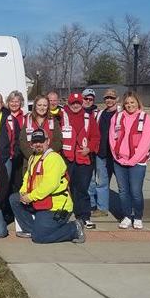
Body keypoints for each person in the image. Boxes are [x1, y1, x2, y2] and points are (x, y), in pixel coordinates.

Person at [9, 129, 85, 243]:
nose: (38, 144)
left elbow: (50, 185)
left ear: (47, 141)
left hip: (56, 206)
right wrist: (23, 192)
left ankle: (74, 228)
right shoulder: (33, 157)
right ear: (31, 144)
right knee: (15, 199)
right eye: (35, 142)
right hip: (41, 201)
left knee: (39, 238)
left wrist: (30, 197)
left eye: (41, 141)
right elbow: (27, 178)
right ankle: (31, 229)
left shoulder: (53, 158)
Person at [110, 91, 150, 230]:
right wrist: (117, 156)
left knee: (135, 191)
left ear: (137, 103)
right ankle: (127, 216)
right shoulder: (117, 117)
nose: (129, 105)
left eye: (132, 102)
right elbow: (112, 138)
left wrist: (133, 160)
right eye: (127, 103)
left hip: (137, 162)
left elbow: (145, 143)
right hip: (119, 161)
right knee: (123, 191)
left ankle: (138, 216)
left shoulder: (145, 118)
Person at [61, 92, 100, 230]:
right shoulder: (62, 116)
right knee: (64, 188)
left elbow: (96, 137)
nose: (76, 106)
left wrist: (89, 149)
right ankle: (63, 215)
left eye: (78, 103)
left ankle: (84, 216)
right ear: (69, 104)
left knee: (82, 188)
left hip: (83, 158)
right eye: (73, 103)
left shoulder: (88, 118)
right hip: (66, 159)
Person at [88, 88, 119, 217]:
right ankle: (102, 208)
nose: (109, 100)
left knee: (123, 185)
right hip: (102, 154)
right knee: (102, 182)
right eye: (107, 98)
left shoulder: (121, 114)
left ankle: (128, 210)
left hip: (118, 155)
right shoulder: (100, 114)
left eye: (112, 98)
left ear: (117, 99)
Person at [20, 95, 63, 171]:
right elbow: (22, 141)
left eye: (45, 105)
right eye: (39, 105)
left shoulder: (53, 120)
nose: (42, 108)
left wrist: (46, 155)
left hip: (49, 160)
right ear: (35, 106)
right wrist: (33, 156)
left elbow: (58, 140)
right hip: (31, 161)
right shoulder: (27, 120)